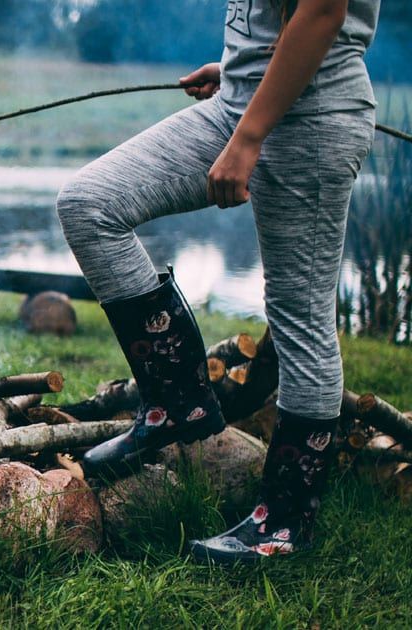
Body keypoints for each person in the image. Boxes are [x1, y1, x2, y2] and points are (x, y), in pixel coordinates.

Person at [55, 0, 377, 564]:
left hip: (311, 122)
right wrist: (241, 69)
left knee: (300, 320)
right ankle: (175, 403)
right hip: (239, 104)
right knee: (89, 204)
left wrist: (250, 137)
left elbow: (326, 10)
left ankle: (282, 523)